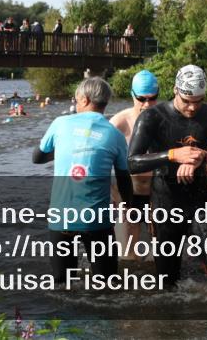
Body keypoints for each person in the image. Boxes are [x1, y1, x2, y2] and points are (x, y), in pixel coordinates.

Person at [127, 65, 207, 285]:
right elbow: (132, 163)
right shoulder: (152, 117)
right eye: (186, 100)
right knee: (167, 280)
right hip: (165, 203)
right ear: (175, 90)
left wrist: (203, 157)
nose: (191, 107)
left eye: (198, 101)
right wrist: (172, 155)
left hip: (201, 202)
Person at [33, 77, 133, 286]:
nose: (75, 103)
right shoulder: (115, 135)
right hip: (97, 221)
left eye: (76, 99)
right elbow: (124, 182)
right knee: (107, 285)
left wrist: (61, 150)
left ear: (85, 99)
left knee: (62, 284)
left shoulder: (60, 123)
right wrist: (131, 209)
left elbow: (37, 158)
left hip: (62, 219)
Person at [109, 70, 161, 250]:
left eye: (153, 98)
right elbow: (97, 165)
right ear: (132, 95)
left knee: (161, 255)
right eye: (142, 99)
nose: (147, 104)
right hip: (128, 197)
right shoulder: (118, 124)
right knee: (128, 255)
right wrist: (119, 200)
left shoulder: (166, 120)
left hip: (158, 195)